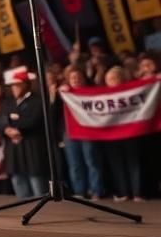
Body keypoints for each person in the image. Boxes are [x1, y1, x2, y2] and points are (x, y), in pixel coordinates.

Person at [0, 66, 48, 198]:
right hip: (14, 152)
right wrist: (7, 127)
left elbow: (33, 121)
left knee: (37, 185)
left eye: (18, 85)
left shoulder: (37, 101)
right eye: (13, 86)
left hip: (32, 149)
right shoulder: (8, 103)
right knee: (18, 182)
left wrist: (9, 121)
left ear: (26, 85)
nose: (14, 88)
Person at [100, 66, 143, 202]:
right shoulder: (101, 95)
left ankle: (137, 193)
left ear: (122, 79)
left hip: (130, 133)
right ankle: (123, 192)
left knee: (133, 163)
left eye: (114, 78)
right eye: (109, 79)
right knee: (116, 164)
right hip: (112, 135)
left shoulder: (131, 92)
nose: (111, 81)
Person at [59, 65, 102, 199]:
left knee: (92, 162)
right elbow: (54, 114)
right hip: (70, 133)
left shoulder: (91, 93)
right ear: (68, 80)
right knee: (75, 164)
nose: (76, 79)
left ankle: (95, 190)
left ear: (84, 79)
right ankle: (79, 192)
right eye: (72, 77)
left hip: (88, 132)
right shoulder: (64, 93)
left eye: (78, 77)